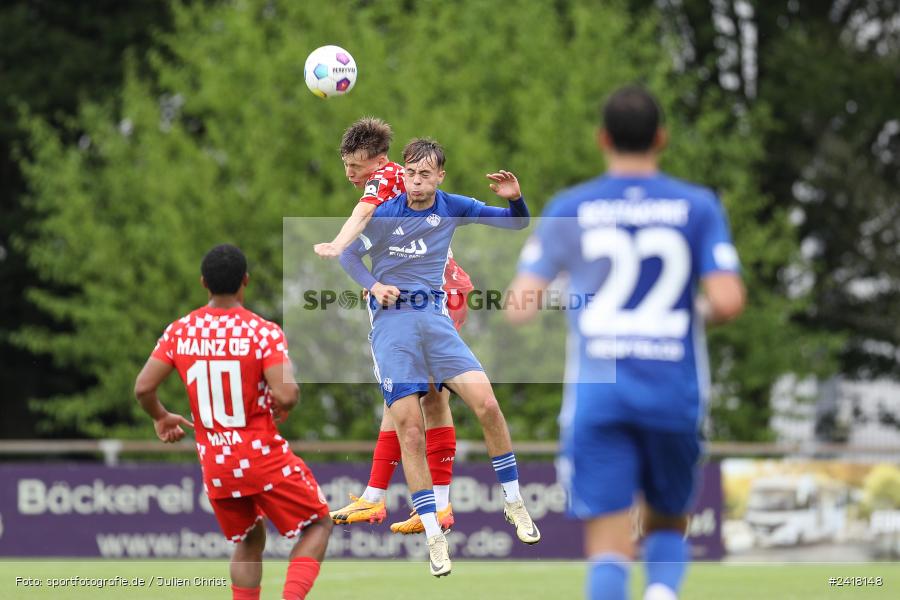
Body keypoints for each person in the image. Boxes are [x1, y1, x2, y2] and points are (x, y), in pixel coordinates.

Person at [507, 85, 745, 600]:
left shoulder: (571, 207)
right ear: (661, 138)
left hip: (601, 396)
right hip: (672, 392)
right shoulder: (697, 206)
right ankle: (662, 592)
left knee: (609, 545)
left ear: (603, 139)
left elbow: (520, 305)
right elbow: (727, 300)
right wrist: (684, 314)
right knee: (666, 518)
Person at [339, 138, 542, 577]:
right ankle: (433, 532)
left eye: (425, 174)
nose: (416, 181)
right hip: (392, 328)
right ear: (403, 173)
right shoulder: (387, 211)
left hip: (435, 322)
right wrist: (374, 286)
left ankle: (514, 502)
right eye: (410, 173)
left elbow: (516, 224)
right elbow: (348, 253)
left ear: (439, 177)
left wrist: (516, 200)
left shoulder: (452, 205)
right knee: (410, 429)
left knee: (487, 404)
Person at [134, 244, 332, 600]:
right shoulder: (262, 331)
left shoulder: (180, 331)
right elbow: (286, 396)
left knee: (249, 537)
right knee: (318, 522)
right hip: (261, 456)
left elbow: (144, 387)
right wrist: (284, 397)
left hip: (217, 463)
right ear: (245, 282)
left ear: (203, 283)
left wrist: (161, 417)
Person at [315, 117, 473, 535]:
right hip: (434, 293)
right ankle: (379, 497)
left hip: (439, 293)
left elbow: (363, 211)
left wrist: (338, 243)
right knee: (403, 397)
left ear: (379, 161)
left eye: (356, 167)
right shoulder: (397, 188)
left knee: (429, 399)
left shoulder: (386, 177)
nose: (350, 175)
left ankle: (424, 504)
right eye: (345, 166)